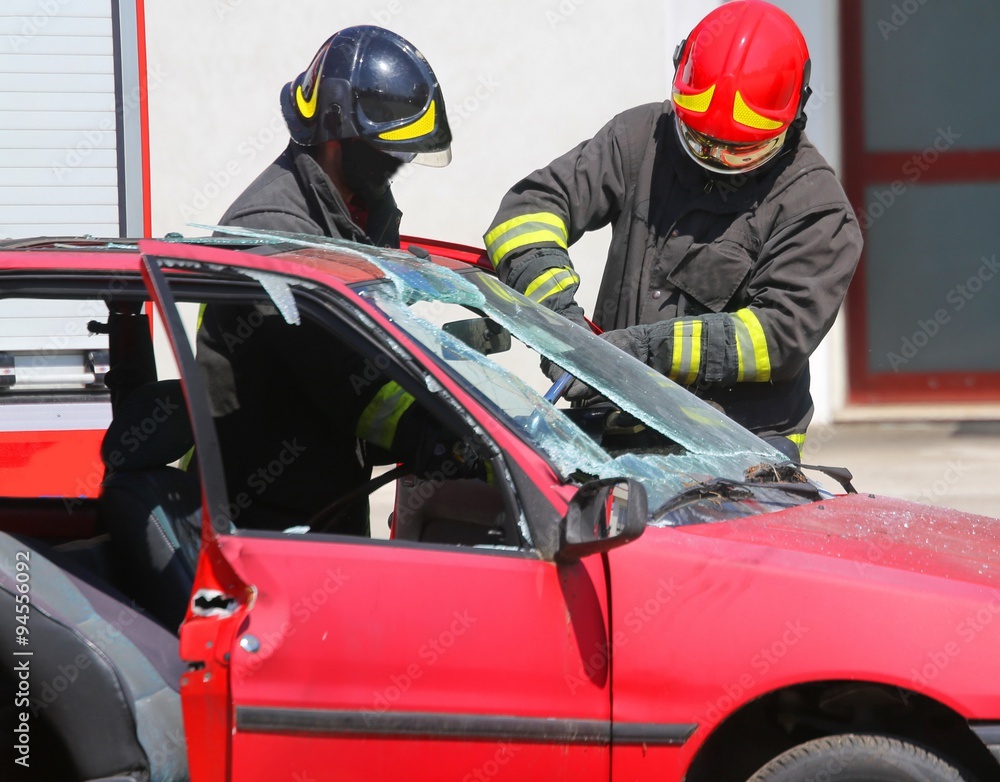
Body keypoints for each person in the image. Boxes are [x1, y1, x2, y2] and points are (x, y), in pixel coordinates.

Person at [483, 0, 862, 461]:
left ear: (794, 113)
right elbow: (526, 212)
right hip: (617, 426)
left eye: (739, 150)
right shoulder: (641, 136)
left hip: (739, 448)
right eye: (699, 138)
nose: (714, 156)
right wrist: (560, 328)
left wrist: (641, 352)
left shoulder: (816, 208)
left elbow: (777, 336)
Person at [197, 26, 463, 533]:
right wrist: (450, 437)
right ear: (339, 139)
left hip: (328, 492)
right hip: (262, 515)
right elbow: (353, 381)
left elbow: (388, 338)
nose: (400, 164)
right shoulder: (272, 232)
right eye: (391, 151)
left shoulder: (358, 214)